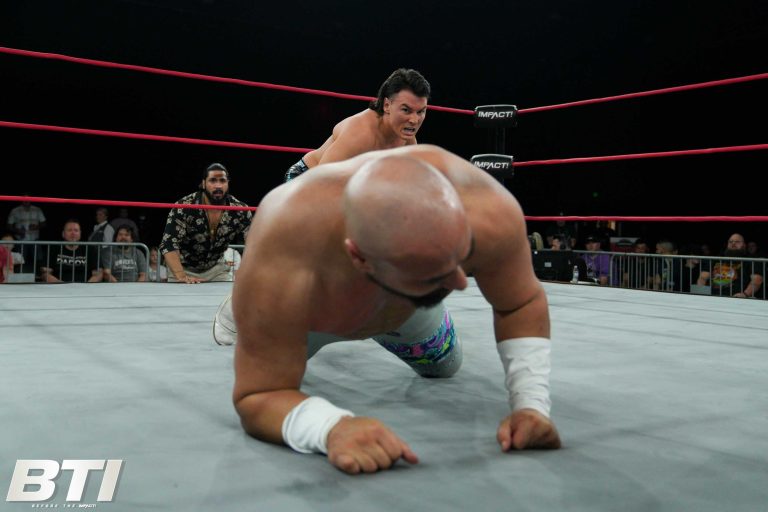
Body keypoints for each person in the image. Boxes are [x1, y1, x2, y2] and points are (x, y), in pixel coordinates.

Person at [214, 145, 561, 475]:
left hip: (405, 310)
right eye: (432, 274)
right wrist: (331, 428)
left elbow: (520, 302)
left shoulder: (487, 209)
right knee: (277, 364)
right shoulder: (286, 246)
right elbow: (259, 395)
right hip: (316, 315)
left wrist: (531, 406)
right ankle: (246, 308)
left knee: (445, 366)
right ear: (359, 257)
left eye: (460, 258)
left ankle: (414, 293)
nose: (459, 283)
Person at [284, 68, 430, 181]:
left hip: (351, 186)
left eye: (420, 111)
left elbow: (411, 181)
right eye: (406, 110)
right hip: (305, 178)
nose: (414, 120)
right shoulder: (360, 133)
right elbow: (321, 181)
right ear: (387, 105)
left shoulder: (406, 137)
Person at [160, 163, 253, 283]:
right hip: (183, 268)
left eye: (222, 181)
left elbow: (255, 243)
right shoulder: (184, 207)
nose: (218, 185)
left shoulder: (240, 210)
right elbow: (168, 243)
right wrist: (181, 276)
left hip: (217, 269)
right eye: (213, 180)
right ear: (203, 183)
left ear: (228, 183)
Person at [697, 233, 764, 298]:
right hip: (712, 297)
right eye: (730, 242)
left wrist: (745, 294)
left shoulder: (750, 260)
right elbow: (703, 277)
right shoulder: (717, 259)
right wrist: (701, 294)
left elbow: (757, 280)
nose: (733, 243)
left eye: (737, 242)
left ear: (744, 245)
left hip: (736, 298)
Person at [6, 199, 46, 272]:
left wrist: (36, 227)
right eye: (24, 198)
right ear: (21, 199)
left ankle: (39, 276)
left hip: (35, 239)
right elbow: (9, 225)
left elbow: (44, 223)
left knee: (39, 260)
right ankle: (18, 276)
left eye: (28, 198)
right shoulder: (15, 210)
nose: (26, 201)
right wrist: (17, 230)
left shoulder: (37, 209)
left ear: (31, 199)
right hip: (21, 240)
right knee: (19, 260)